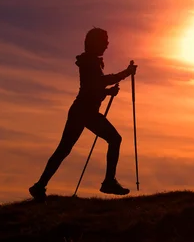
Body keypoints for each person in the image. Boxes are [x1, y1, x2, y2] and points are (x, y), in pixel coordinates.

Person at [29, 27, 137, 201]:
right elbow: (97, 82)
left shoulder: (90, 60)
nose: (107, 44)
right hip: (86, 111)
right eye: (104, 41)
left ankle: (39, 186)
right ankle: (108, 182)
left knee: (64, 149)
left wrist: (107, 92)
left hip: (81, 110)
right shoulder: (90, 61)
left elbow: (91, 87)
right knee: (114, 139)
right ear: (96, 42)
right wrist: (125, 73)